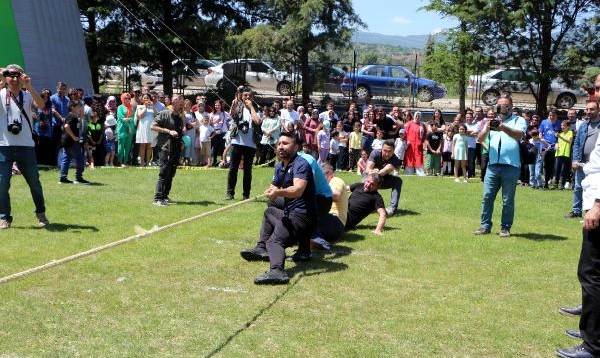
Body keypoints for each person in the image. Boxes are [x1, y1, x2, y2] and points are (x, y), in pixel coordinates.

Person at [239, 132, 317, 285]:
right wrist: (271, 190)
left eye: (285, 143)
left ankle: (277, 271)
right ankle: (261, 249)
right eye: (279, 143)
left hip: (303, 217)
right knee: (269, 211)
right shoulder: (280, 165)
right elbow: (274, 186)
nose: (281, 146)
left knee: (274, 242)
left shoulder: (300, 164)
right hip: (293, 213)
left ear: (296, 147)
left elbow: (298, 190)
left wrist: (279, 192)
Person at [555, 102, 600, 358]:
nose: (593, 94)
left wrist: (598, 205)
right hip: (592, 196)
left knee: (591, 271)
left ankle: (592, 344)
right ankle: (590, 330)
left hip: (597, 203)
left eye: (597, 87)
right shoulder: (588, 125)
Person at [0, 64, 49, 229]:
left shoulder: (27, 96)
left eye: (17, 76)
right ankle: (4, 217)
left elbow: (43, 106)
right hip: (4, 145)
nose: (13, 79)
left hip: (26, 145)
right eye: (10, 75)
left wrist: (28, 86)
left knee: (34, 182)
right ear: (5, 77)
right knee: (2, 184)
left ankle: (41, 213)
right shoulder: (0, 94)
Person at [474, 95, 527, 237]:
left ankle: (505, 227)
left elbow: (518, 135)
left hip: (511, 165)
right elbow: (479, 139)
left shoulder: (518, 120)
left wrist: (503, 127)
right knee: (487, 197)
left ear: (511, 105)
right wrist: (487, 128)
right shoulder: (491, 121)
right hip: (492, 166)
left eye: (505, 105)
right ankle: (485, 226)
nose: (503, 108)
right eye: (500, 105)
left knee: (507, 199)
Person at [224, 87, 261, 201]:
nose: (247, 97)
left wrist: (251, 108)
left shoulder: (255, 108)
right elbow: (232, 115)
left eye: (249, 96)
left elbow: (257, 121)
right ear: (242, 96)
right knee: (233, 168)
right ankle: (230, 193)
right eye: (245, 95)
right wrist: (233, 105)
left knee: (247, 170)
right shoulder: (238, 106)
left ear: (252, 97)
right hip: (237, 141)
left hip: (250, 144)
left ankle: (246, 195)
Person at [566, 101, 600, 219]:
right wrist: (575, 159)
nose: (589, 112)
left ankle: (592, 210)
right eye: (587, 109)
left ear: (598, 110)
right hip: (582, 161)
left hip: (596, 164)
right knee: (578, 187)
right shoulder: (583, 125)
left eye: (592, 109)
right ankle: (576, 211)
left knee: (595, 187)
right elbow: (576, 143)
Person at [151, 94, 185, 206]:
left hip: (176, 149)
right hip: (165, 147)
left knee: (171, 173)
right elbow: (153, 126)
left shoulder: (179, 117)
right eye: (179, 101)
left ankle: (165, 196)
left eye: (182, 102)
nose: (181, 104)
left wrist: (181, 143)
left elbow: (179, 133)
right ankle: (157, 199)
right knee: (164, 172)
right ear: (173, 102)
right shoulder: (165, 113)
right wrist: (168, 131)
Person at [310, 162, 349, 250]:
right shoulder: (328, 184)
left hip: (334, 222)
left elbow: (336, 195)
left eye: (320, 176)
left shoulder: (335, 180)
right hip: (332, 223)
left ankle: (318, 239)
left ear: (329, 173)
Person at [364, 139, 403, 216]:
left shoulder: (395, 159)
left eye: (390, 151)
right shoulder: (375, 153)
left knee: (398, 181)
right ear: (381, 148)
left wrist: (376, 172)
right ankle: (364, 206)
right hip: (369, 178)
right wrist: (372, 172)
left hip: (382, 179)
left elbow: (385, 171)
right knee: (364, 182)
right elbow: (368, 169)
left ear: (393, 151)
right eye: (385, 150)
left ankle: (392, 209)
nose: (387, 154)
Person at [58, 101, 90, 185]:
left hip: (66, 141)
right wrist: (74, 137)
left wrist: (82, 106)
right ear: (72, 107)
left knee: (66, 158)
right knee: (80, 159)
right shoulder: (72, 116)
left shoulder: (71, 116)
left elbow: (81, 118)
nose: (79, 108)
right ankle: (78, 178)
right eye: (78, 107)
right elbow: (66, 126)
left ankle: (63, 177)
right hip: (72, 142)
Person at [540, 109, 562, 189]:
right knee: (545, 165)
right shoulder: (544, 122)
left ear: (556, 115)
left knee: (554, 166)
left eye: (553, 115)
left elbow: (562, 135)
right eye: (550, 115)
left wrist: (558, 142)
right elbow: (540, 134)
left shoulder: (560, 123)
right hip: (546, 147)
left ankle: (553, 181)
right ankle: (545, 182)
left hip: (555, 147)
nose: (551, 117)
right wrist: (543, 141)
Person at [135, 94, 155, 167]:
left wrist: (153, 107)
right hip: (143, 127)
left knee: (149, 146)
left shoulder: (152, 107)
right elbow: (140, 116)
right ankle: (142, 163)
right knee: (143, 145)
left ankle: (147, 163)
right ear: (142, 100)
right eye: (145, 98)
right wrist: (145, 107)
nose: (146, 99)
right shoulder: (139, 107)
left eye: (148, 98)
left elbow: (156, 115)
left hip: (151, 128)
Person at [404, 110, 427, 176]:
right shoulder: (409, 124)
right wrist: (407, 141)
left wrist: (422, 142)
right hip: (410, 146)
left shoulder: (422, 125)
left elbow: (425, 135)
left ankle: (420, 173)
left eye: (419, 116)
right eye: (416, 116)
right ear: (414, 116)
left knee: (418, 159)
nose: (417, 117)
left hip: (418, 146)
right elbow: (405, 133)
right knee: (409, 159)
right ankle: (408, 173)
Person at [116, 92, 136, 167]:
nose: (127, 99)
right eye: (125, 98)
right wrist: (128, 126)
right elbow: (121, 118)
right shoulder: (120, 107)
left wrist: (127, 119)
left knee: (128, 147)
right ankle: (119, 161)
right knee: (121, 146)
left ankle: (125, 161)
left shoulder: (132, 107)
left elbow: (133, 118)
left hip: (131, 129)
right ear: (122, 99)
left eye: (129, 98)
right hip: (122, 129)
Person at [554, 120, 574, 190]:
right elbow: (557, 142)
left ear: (568, 126)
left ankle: (562, 185)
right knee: (557, 169)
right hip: (559, 153)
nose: (562, 127)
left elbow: (569, 141)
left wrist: (560, 137)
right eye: (561, 125)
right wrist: (556, 145)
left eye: (564, 125)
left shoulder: (570, 132)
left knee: (564, 170)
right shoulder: (560, 134)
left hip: (566, 154)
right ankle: (556, 184)